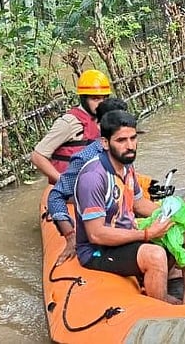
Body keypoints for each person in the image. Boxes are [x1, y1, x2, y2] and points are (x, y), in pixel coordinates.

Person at [73, 110, 185, 305]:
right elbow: (96, 234)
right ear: (105, 143)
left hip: (127, 234)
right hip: (99, 250)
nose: (130, 146)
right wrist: (147, 234)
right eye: (121, 140)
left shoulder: (126, 166)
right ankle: (161, 307)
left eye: (133, 138)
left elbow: (139, 203)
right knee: (155, 255)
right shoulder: (93, 178)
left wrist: (171, 215)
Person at [47, 97, 129, 266]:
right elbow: (55, 196)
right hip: (99, 236)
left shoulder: (126, 153)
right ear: (100, 126)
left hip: (123, 224)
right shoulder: (85, 160)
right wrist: (70, 236)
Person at [31, 69, 111, 184]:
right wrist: (63, 182)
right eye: (95, 98)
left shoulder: (103, 119)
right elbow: (37, 156)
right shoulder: (68, 123)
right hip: (71, 188)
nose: (101, 103)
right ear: (84, 99)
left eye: (104, 98)